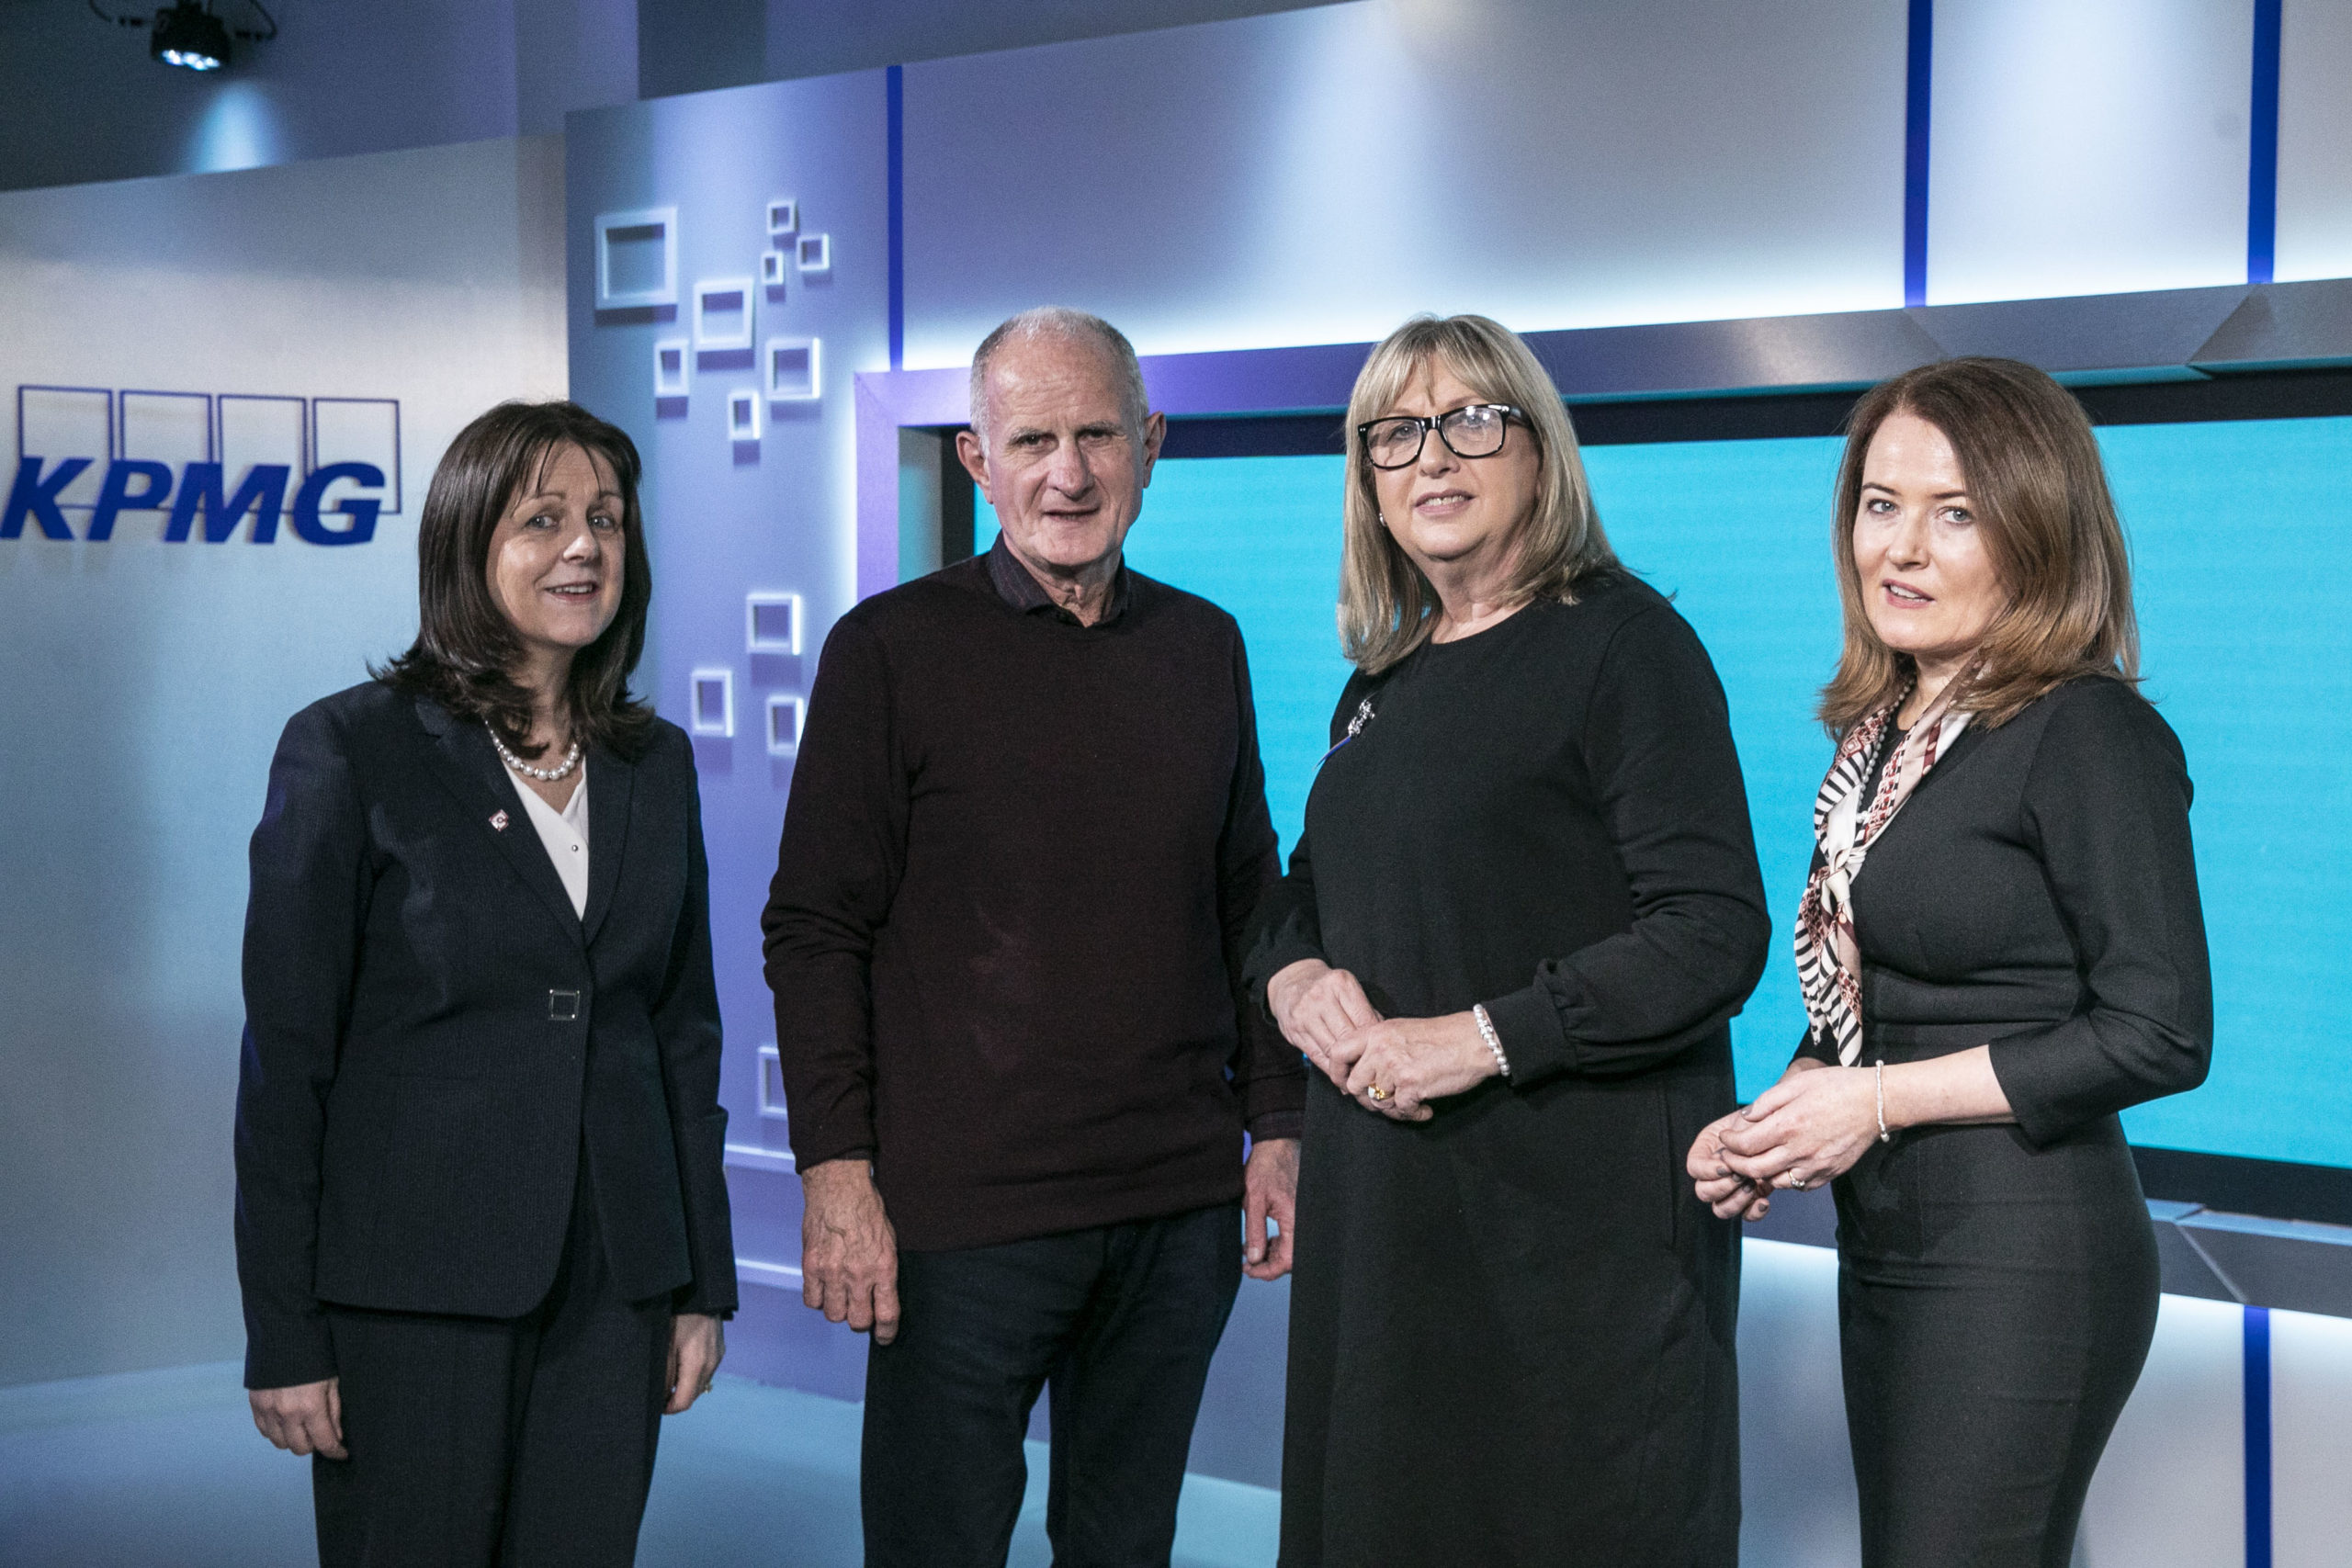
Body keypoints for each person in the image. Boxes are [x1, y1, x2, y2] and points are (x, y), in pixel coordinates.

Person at [761, 307, 1303, 1568]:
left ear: (1151, 443)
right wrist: (836, 1170)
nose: (1069, 471)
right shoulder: (887, 650)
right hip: (963, 1222)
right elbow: (816, 926)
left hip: (1172, 1209)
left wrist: (1277, 1123)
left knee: (1125, 1545)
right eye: (1035, 438)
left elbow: (1247, 900)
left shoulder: (1204, 645)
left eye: (1099, 433)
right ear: (977, 460)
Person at [1246, 313, 1771, 1567]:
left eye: (1473, 420)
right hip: (1393, 1241)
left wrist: (1482, 1037)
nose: (1434, 457)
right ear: (1366, 480)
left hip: (1571, 1255)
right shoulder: (1383, 676)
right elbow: (1305, 890)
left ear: (1541, 450)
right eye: (1397, 433)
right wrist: (1293, 974)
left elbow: (1712, 931)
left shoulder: (1626, 645)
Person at [1689, 356, 2212, 1567]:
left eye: (1955, 511)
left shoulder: (2087, 729)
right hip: (1895, 1237)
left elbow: (2162, 1026)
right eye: (1881, 504)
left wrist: (1870, 1101)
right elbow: (1868, 1004)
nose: (1903, 549)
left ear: (2034, 527)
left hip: (2023, 1246)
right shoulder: (1884, 736)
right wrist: (1776, 1121)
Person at [234, 400, 735, 1567]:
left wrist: (698, 1283)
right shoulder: (351, 749)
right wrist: (284, 1334)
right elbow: (287, 1065)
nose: (584, 548)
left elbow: (683, 1034)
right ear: (469, 542)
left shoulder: (653, 764)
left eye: (605, 520)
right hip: (412, 1297)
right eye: (544, 519)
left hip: (615, 1286)